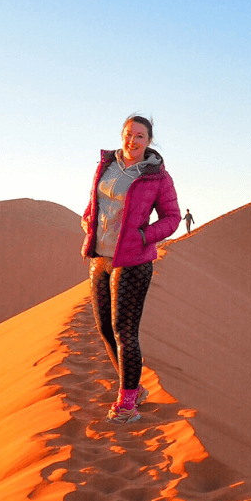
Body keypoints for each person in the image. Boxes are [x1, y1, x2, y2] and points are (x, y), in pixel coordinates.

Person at [81, 115, 181, 423]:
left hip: (134, 262)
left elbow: (172, 218)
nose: (133, 141)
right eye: (129, 134)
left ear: (149, 141)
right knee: (104, 329)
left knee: (125, 331)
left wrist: (142, 236)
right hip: (100, 256)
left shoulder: (157, 177)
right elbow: (95, 202)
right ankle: (133, 386)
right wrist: (87, 220)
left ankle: (127, 403)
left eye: (140, 136)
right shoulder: (106, 167)